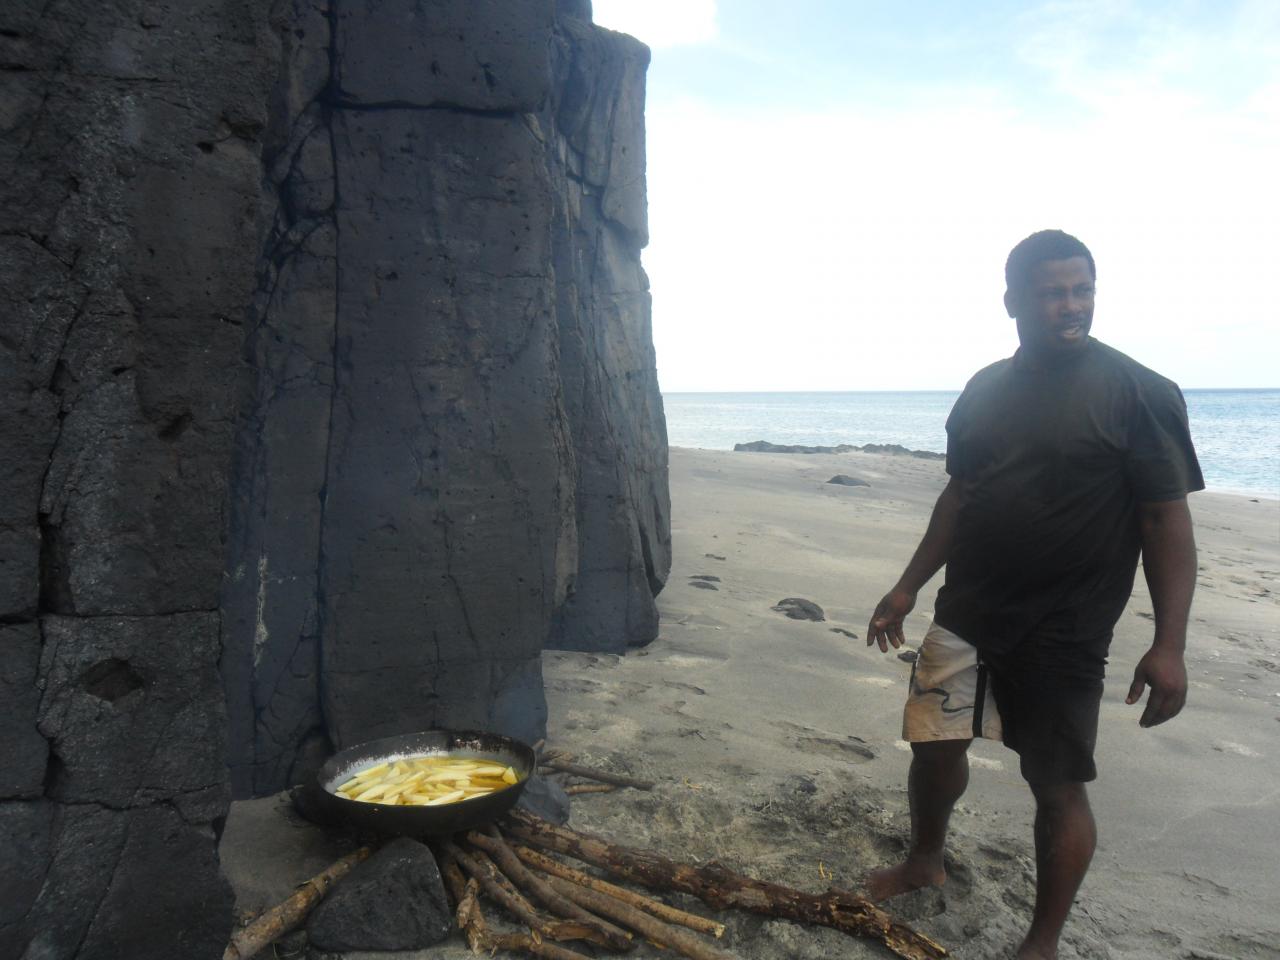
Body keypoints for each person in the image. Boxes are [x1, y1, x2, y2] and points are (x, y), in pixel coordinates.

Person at [863, 229, 1202, 960]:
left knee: (1056, 783)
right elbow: (961, 495)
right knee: (933, 746)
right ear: (1012, 300)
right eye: (1052, 293)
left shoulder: (1140, 393)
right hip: (968, 610)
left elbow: (1164, 519)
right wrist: (907, 586)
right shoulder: (985, 389)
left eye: (1082, 290)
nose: (1071, 305)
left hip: (1065, 629)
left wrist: (1169, 644)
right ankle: (925, 859)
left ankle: (1041, 943)